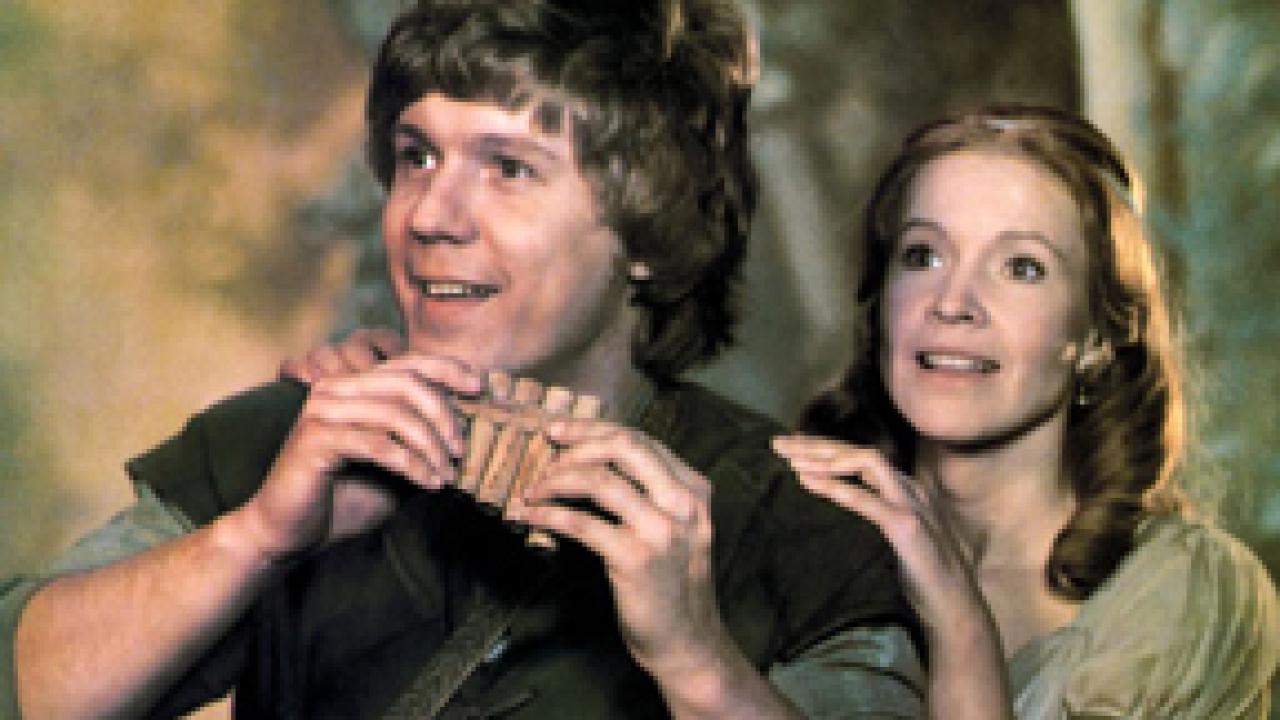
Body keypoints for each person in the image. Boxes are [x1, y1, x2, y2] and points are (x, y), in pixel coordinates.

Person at [1, 2, 922, 718]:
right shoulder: (291, 439)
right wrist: (258, 538)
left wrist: (695, 659)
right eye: (417, 157)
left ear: (651, 222)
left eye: (508, 168)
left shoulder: (805, 525)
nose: (430, 216)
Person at [771, 105, 1280, 718]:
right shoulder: (780, 541)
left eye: (1021, 267)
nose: (952, 302)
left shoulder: (1182, 594)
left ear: (1096, 340)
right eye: (923, 256)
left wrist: (960, 626)